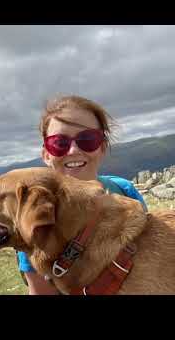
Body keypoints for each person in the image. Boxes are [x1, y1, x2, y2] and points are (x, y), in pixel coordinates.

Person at [16, 95, 147, 295]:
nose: (73, 150)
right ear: (46, 154)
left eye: (88, 139)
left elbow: (149, 258)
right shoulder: (36, 221)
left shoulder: (125, 191)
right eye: (59, 143)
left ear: (102, 147)